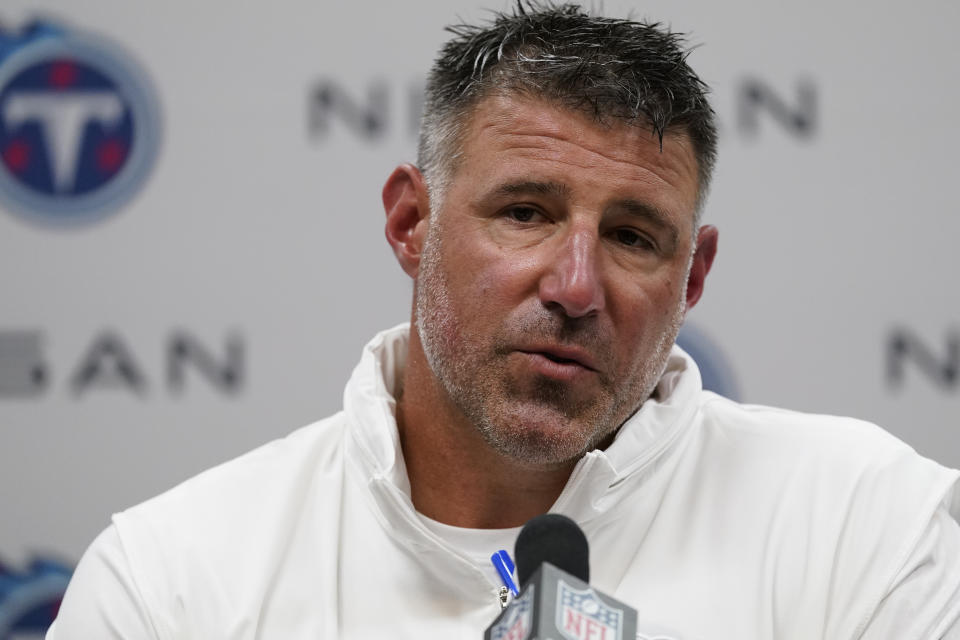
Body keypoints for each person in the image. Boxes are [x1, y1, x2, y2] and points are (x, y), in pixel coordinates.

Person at [48, 3, 960, 639]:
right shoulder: (174, 577)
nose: (574, 286)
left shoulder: (866, 522)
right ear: (413, 223)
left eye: (634, 236)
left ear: (693, 279)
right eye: (524, 212)